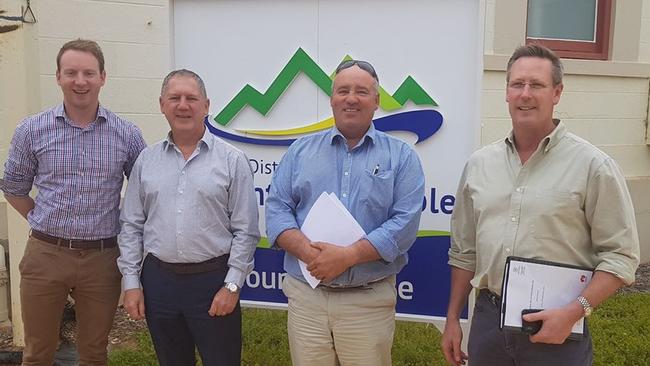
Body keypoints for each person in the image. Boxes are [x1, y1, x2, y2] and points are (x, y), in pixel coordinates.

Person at [441, 44, 640, 366]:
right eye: (517, 84)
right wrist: (452, 319)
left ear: (557, 92)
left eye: (537, 85)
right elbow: (464, 252)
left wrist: (576, 312)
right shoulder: (479, 165)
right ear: (506, 92)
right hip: (489, 324)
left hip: (558, 325)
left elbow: (620, 256)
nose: (525, 94)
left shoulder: (593, 166)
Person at [265, 60, 425, 366]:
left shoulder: (402, 157)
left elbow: (404, 223)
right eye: (343, 90)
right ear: (332, 98)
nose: (351, 98)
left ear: (376, 102)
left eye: (362, 91)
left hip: (367, 301)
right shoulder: (300, 151)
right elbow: (277, 209)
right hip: (307, 299)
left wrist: (348, 256)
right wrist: (311, 254)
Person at [1, 39, 146, 365]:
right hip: (45, 256)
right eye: (71, 73)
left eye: (88, 73)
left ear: (103, 78)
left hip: (102, 258)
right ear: (58, 77)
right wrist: (43, 221)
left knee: (94, 352)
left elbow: (144, 193)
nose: (80, 81)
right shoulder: (32, 130)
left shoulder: (126, 134)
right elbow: (13, 188)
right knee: (38, 352)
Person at [117, 69, 260, 366]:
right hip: (160, 282)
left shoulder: (232, 160)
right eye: (175, 98)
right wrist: (131, 282)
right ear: (162, 105)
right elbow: (131, 225)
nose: (183, 105)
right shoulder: (147, 160)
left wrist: (232, 285)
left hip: (213, 281)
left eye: (191, 98)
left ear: (206, 105)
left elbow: (245, 231)